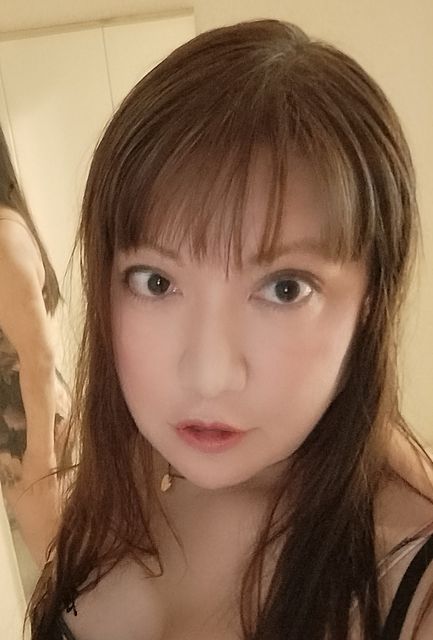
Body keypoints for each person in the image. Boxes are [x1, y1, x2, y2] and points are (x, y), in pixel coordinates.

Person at [28, 19, 433, 640]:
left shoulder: (410, 583)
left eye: (284, 288)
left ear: (370, 301)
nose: (209, 374)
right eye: (155, 282)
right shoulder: (127, 475)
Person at [0, 124, 69, 571]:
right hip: (25, 427)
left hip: (29, 433)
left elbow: (39, 356)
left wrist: (41, 464)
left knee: (58, 573)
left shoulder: (1, 238)